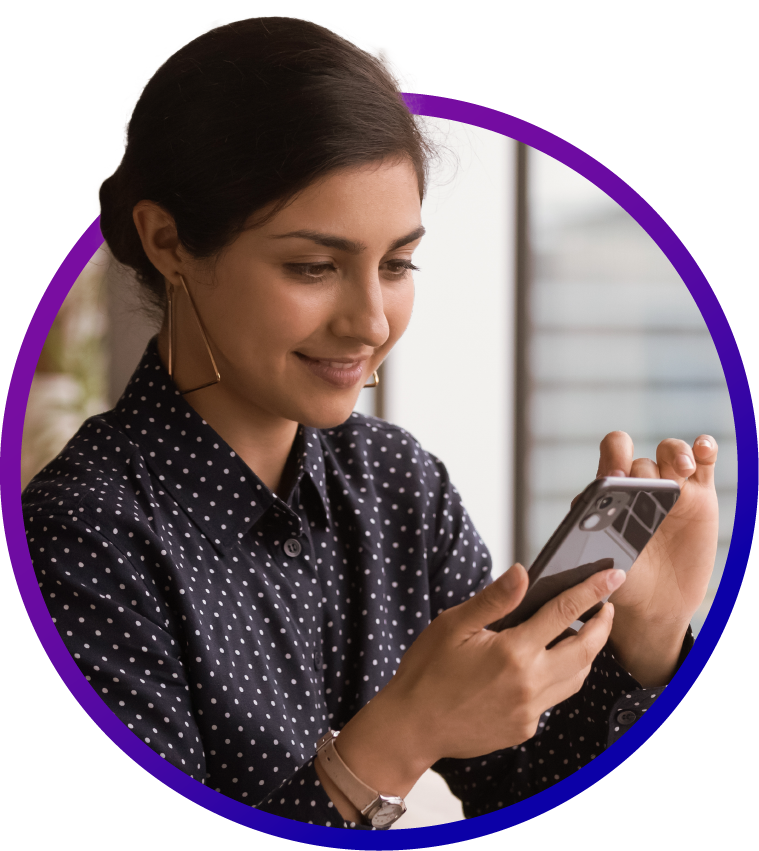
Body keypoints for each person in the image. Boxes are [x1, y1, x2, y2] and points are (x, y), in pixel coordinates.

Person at [23, 16, 719, 830]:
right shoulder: (77, 535)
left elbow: (527, 785)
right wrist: (401, 734)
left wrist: (650, 641)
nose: (371, 322)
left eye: (395, 265)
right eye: (312, 267)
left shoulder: (397, 482)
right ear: (168, 240)